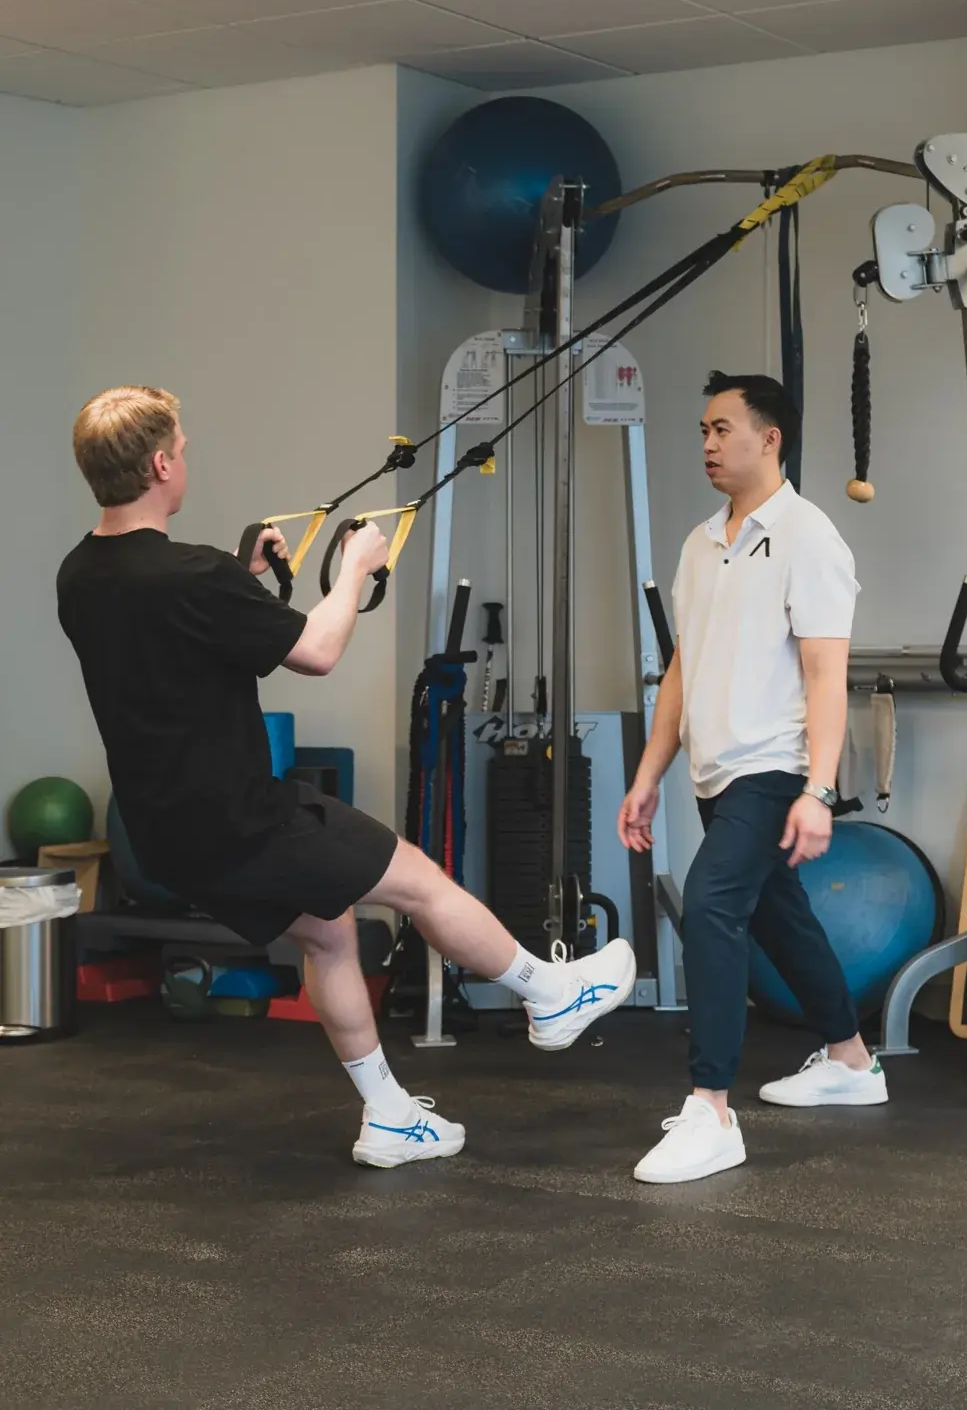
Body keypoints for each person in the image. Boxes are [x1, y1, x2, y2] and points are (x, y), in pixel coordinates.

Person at [57, 386, 636, 1169]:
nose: (186, 457)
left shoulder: (81, 574)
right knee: (423, 884)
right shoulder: (190, 576)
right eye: (183, 448)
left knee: (327, 933)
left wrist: (241, 573)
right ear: (160, 464)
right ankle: (548, 993)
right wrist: (355, 571)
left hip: (165, 833)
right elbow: (317, 652)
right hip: (245, 818)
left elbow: (173, 635)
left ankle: (390, 1116)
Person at [618, 371, 885, 1186]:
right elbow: (679, 673)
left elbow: (824, 675)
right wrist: (646, 776)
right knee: (781, 919)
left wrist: (816, 789)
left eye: (722, 429)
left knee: (711, 905)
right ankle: (849, 1060)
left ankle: (712, 1110)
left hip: (773, 769)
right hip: (714, 775)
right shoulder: (701, 544)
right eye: (702, 429)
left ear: (769, 439)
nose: (706, 443)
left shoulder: (809, 536)